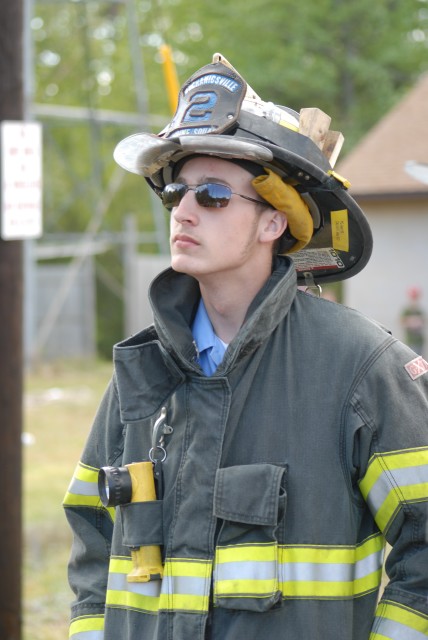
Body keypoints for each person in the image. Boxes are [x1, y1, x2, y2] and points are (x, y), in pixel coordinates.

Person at [63, 53, 428, 640]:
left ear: (273, 223)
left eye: (212, 195)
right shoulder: (140, 374)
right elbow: (92, 543)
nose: (182, 210)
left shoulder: (358, 367)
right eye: (176, 191)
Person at [400, 286, 426, 355]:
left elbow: (424, 322)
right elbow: (402, 322)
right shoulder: (406, 311)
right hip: (410, 341)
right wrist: (411, 322)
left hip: (419, 341)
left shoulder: (419, 311)